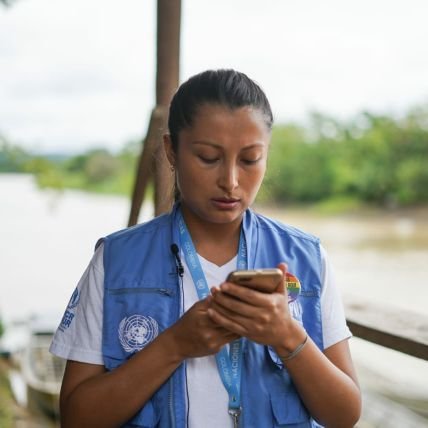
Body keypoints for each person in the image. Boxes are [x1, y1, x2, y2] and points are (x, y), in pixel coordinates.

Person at [50, 69, 361, 428]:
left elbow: (345, 415)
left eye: (249, 159)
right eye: (209, 158)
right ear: (171, 151)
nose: (230, 181)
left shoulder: (306, 259)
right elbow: (76, 418)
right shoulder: (116, 261)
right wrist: (174, 345)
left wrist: (288, 336)